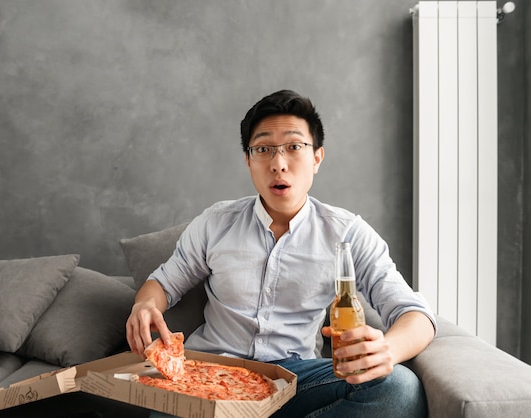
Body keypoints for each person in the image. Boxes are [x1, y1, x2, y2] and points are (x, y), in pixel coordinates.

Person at [125, 90, 436, 417]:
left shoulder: (346, 232)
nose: (278, 163)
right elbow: (162, 284)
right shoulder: (215, 223)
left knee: (399, 388)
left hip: (295, 381)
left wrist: (386, 350)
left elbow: (415, 316)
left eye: (294, 147)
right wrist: (144, 305)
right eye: (263, 149)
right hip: (211, 376)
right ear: (248, 160)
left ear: (316, 158)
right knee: (168, 407)